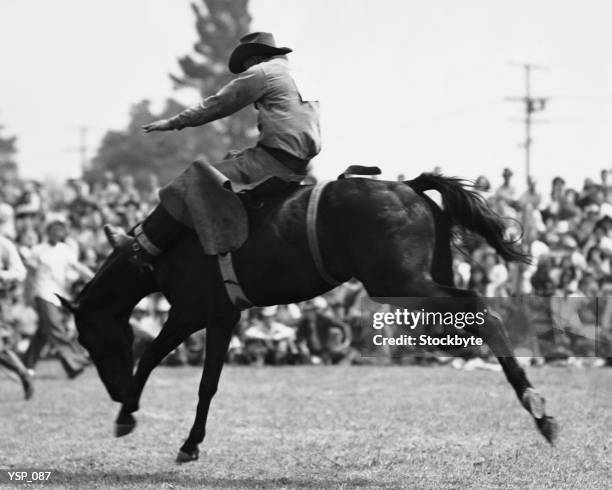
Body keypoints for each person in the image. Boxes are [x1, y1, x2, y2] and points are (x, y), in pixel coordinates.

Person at [105, 32, 321, 268]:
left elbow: (218, 105)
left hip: (273, 162)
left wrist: (174, 122)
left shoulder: (262, 73)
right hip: (300, 164)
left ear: (256, 58)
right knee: (229, 163)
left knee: (190, 183)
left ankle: (140, 249)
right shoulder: (299, 76)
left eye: (246, 63)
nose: (245, 69)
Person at [23, 215, 94, 378]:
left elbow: (78, 267)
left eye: (61, 228)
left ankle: (27, 364)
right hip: (42, 293)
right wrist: (27, 297)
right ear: (48, 230)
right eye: (55, 228)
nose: (58, 231)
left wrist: (95, 278)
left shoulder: (65, 249)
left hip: (58, 295)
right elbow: (30, 276)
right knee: (56, 328)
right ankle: (74, 363)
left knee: (43, 331)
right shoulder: (38, 250)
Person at [0, 232, 33, 398]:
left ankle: (22, 372)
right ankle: (22, 372)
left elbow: (20, 271)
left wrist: (2, 275)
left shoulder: (4, 244)